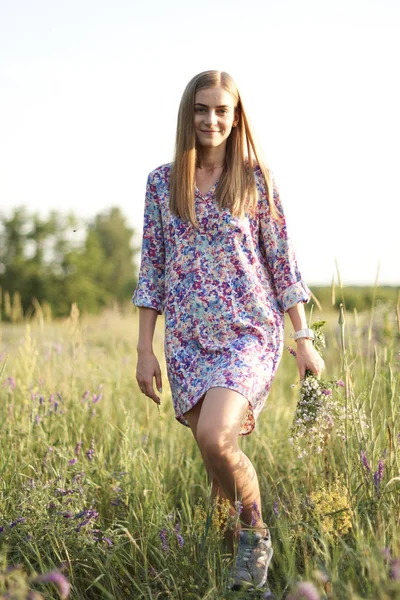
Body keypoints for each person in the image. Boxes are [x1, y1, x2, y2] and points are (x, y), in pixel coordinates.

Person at [132, 70, 324, 593]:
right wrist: (145, 349)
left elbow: (282, 261)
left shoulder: (255, 178)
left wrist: (303, 338)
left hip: (249, 332)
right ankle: (230, 576)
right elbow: (153, 268)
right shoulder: (160, 182)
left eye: (222, 109)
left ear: (236, 116)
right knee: (214, 459)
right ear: (187, 115)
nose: (211, 119)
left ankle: (256, 537)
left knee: (218, 436)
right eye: (201, 109)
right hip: (188, 340)